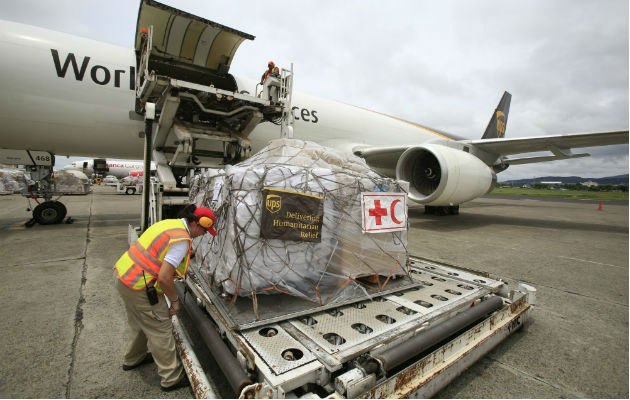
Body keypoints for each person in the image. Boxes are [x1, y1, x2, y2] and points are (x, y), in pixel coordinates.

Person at [114, 205, 217, 391]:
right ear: (195, 223)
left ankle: (133, 359)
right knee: (160, 328)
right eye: (204, 230)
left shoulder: (168, 225)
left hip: (125, 278)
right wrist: (174, 300)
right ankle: (171, 378)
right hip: (140, 286)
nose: (204, 234)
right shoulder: (181, 241)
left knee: (139, 322)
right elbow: (164, 277)